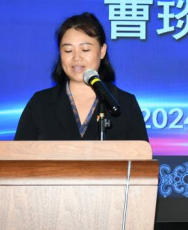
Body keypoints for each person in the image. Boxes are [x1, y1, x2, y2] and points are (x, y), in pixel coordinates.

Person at [14, 12, 149, 141]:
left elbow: (140, 155)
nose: (76, 58)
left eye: (85, 49)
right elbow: (18, 155)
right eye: (68, 50)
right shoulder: (40, 103)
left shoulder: (125, 104)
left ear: (102, 51)